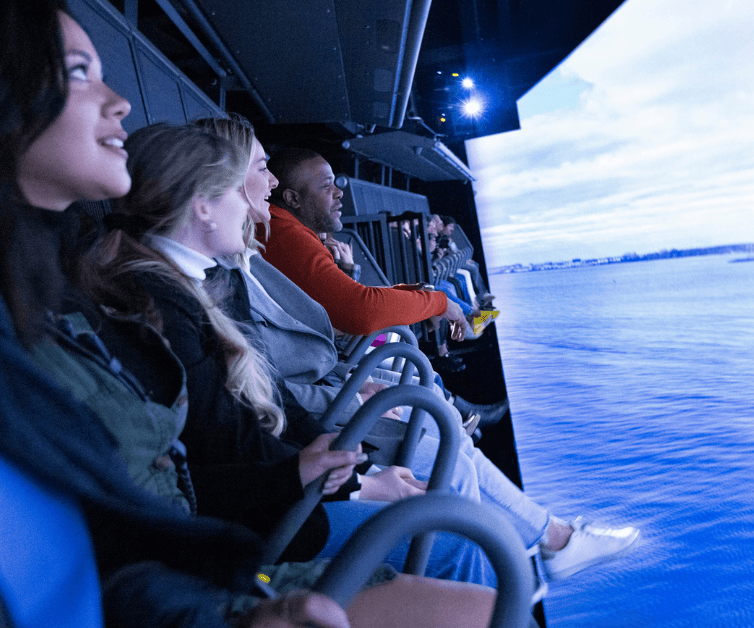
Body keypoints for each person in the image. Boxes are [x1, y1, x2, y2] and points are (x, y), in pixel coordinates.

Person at [0, 4, 501, 627]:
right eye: (81, 72)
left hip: (218, 540)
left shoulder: (55, 290)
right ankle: (544, 541)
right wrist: (310, 485)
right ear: (199, 205)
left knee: (448, 476)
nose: (118, 103)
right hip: (231, 539)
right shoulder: (131, 298)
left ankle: (541, 536)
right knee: (455, 512)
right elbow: (176, 478)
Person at [195, 117, 641, 582]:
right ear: (217, 190)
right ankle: (519, 565)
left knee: (444, 428)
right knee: (448, 460)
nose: (339, 192)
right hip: (317, 421)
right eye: (263, 169)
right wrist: (356, 463)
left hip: (327, 399)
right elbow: (345, 320)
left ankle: (544, 543)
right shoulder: (269, 239)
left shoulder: (248, 251)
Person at [85, 121, 502, 587]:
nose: (259, 196)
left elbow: (261, 403)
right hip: (256, 518)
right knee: (459, 528)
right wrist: (354, 483)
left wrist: (351, 466)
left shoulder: (190, 282)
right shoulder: (166, 304)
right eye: (247, 183)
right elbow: (226, 441)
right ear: (202, 206)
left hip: (291, 460)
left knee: (445, 465)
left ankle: (540, 541)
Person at [256, 148, 468, 339]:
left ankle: (480, 316)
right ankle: (478, 320)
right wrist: (439, 302)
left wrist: (416, 294)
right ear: (293, 199)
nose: (339, 192)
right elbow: (361, 310)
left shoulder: (283, 229)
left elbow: (348, 300)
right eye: (326, 186)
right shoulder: (283, 235)